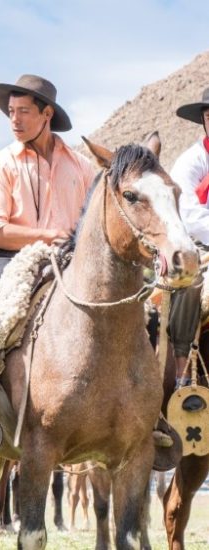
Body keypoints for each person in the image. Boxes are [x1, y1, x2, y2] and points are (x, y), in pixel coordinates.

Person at [0, 75, 97, 455]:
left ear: (46, 114)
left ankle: (145, 406)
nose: (14, 120)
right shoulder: (0, 165)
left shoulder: (82, 168)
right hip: (10, 257)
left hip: (71, 260)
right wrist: (44, 234)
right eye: (10, 113)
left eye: (23, 112)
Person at [168, 86, 209, 391]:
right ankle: (182, 363)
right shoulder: (190, 162)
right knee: (190, 281)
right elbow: (190, 216)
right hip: (196, 243)